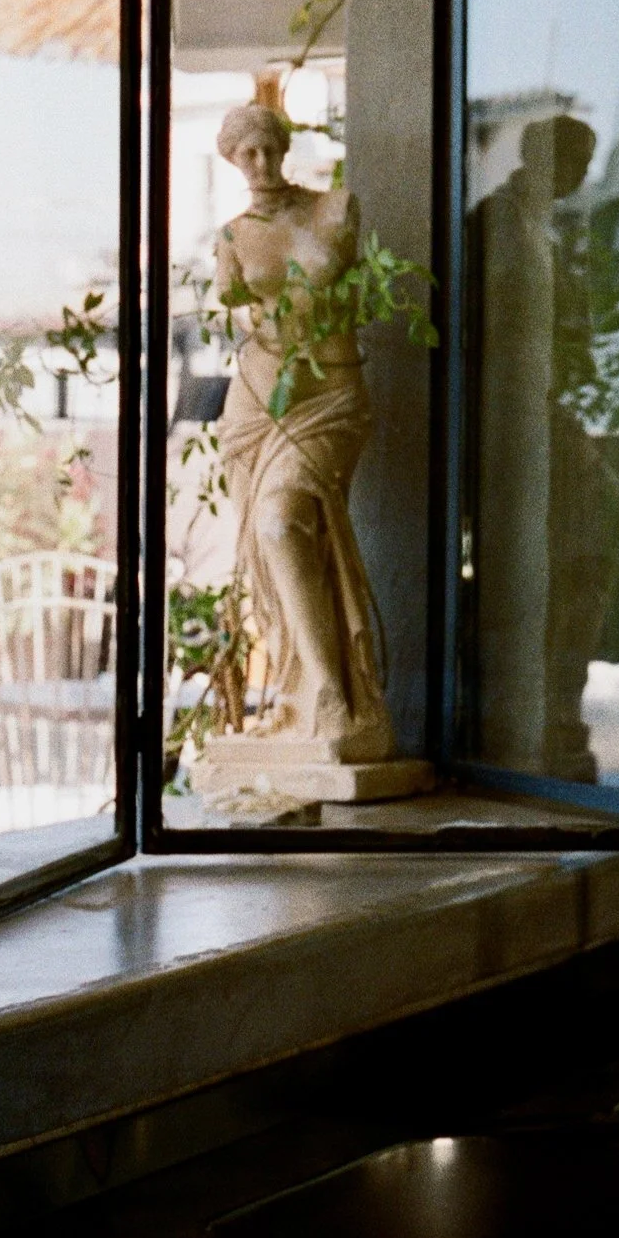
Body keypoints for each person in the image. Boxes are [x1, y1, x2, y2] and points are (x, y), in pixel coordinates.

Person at [210, 101, 394, 760]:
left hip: (330, 392)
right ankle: (314, 700)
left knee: (282, 522)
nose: (261, 163)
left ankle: (327, 693)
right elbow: (239, 316)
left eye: (268, 148)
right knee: (271, 541)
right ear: (232, 160)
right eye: (246, 154)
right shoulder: (230, 238)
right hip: (259, 399)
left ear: (284, 147)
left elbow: (366, 297)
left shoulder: (334, 209)